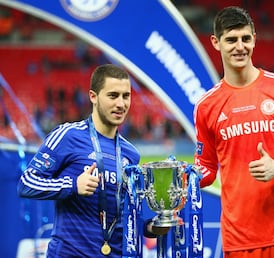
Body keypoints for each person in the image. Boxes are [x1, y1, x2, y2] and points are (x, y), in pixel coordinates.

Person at [193, 7, 274, 258]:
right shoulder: (206, 106)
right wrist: (180, 180)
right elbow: (207, 169)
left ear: (254, 38)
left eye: (245, 38)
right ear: (216, 43)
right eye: (231, 40)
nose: (239, 46)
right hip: (241, 238)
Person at [17, 64, 167, 257]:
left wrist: (150, 228)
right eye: (113, 96)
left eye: (126, 96)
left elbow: (121, 218)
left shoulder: (131, 154)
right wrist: (72, 185)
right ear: (93, 97)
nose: (121, 104)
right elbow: (26, 184)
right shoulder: (68, 136)